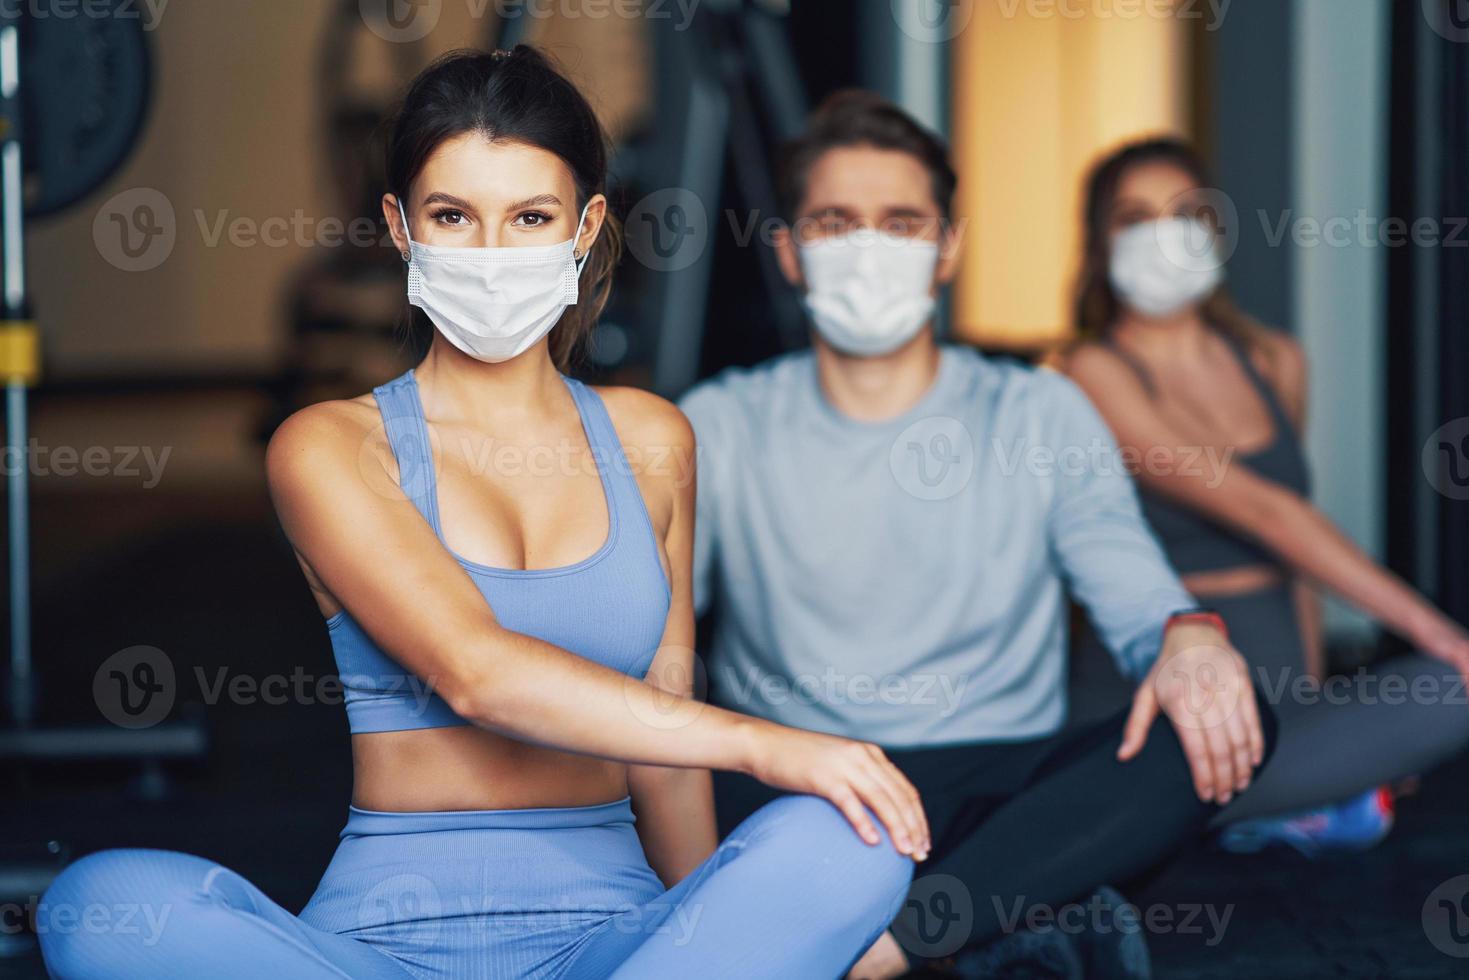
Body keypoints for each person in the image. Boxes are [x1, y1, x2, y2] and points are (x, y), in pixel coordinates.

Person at [36, 48, 925, 980]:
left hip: (613, 948)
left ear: (585, 227)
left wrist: (720, 922)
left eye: (530, 217)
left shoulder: (652, 440)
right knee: (100, 905)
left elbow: (663, 729)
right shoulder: (333, 446)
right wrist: (769, 745)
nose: (493, 254)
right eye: (453, 215)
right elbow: (475, 674)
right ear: (400, 226)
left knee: (849, 832)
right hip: (375, 953)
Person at [680, 91, 1273, 978]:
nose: (868, 250)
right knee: (632, 761)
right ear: (789, 253)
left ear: (946, 247)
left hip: (1003, 782)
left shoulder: (1039, 408)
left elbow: (1130, 582)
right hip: (800, 785)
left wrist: (1187, 635)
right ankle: (1000, 919)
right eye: (836, 223)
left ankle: (887, 948)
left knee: (1224, 709)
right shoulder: (714, 425)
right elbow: (646, 637)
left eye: (900, 222)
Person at [1061, 137, 1469, 850]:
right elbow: (1261, 511)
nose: (1162, 236)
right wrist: (1433, 629)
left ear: (1213, 229)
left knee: (1447, 693)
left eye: (1184, 213)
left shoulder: (1275, 360)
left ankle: (1285, 791)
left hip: (1278, 680)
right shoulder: (1089, 372)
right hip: (1160, 691)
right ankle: (1280, 799)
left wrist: (1312, 702)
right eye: (1134, 218)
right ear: (1099, 243)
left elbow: (1294, 547)